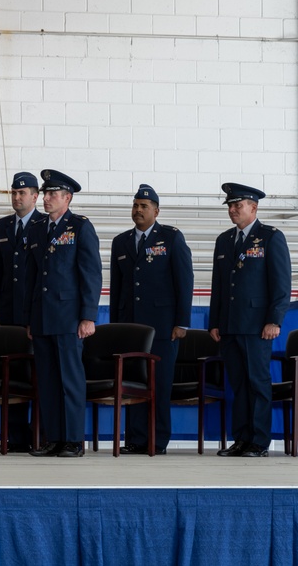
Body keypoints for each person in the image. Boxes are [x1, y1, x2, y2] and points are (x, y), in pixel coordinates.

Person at [110, 185, 194, 455]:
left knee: (158, 385)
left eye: (144, 206)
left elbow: (185, 281)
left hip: (162, 327)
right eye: (135, 205)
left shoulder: (170, 238)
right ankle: (135, 439)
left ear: (156, 211)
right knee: (133, 386)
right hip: (130, 328)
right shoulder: (120, 241)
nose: (138, 210)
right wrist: (115, 327)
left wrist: (182, 322)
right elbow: (117, 287)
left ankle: (156, 441)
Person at [24, 170, 102, 458]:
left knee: (69, 380)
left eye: (52, 194)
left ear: (67, 198)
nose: (46, 199)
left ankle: (72, 440)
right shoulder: (36, 229)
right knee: (47, 381)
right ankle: (54, 438)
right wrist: (30, 319)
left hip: (69, 316)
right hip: (43, 317)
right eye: (45, 194)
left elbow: (91, 274)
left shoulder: (80, 227)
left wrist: (88, 316)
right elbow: (32, 277)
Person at [209, 182, 291, 458]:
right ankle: (241, 438)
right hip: (230, 326)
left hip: (258, 326)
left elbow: (281, 286)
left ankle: (258, 441)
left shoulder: (270, 237)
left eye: (238, 205)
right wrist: (215, 322)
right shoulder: (224, 240)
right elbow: (219, 287)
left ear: (253, 207)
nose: (232, 210)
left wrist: (274, 320)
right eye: (230, 206)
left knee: (257, 383)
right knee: (238, 385)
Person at [0, 171, 45, 453]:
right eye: (14, 192)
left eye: (22, 193)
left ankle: (41, 437)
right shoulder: (2, 226)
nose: (17, 197)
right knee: (10, 376)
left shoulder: (45, 224)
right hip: (8, 315)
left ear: (35, 197)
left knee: (38, 376)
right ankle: (16, 437)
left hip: (34, 315)